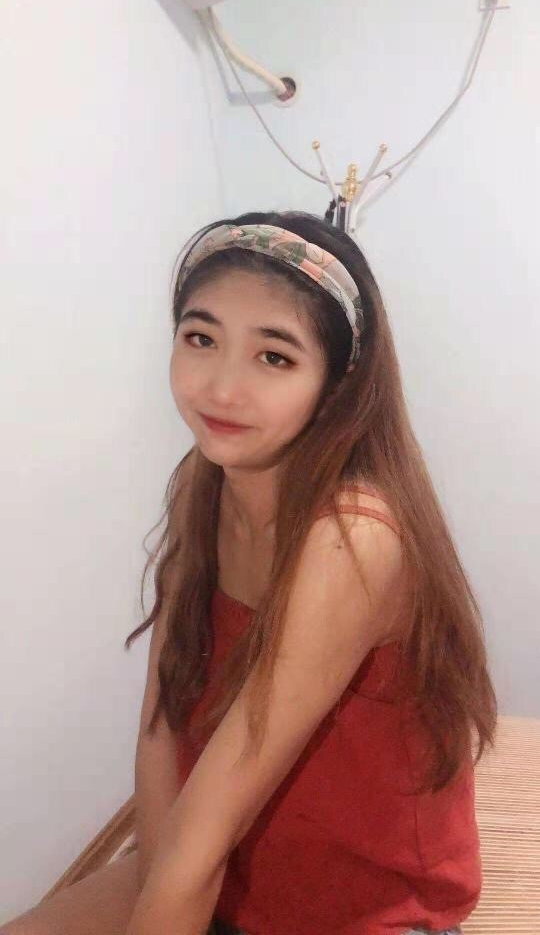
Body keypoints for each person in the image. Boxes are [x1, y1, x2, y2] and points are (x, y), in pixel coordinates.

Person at [3, 212, 497, 935]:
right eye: (201, 339)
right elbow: (165, 716)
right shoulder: (201, 485)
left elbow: (208, 834)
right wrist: (157, 875)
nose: (222, 389)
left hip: (363, 912)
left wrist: (177, 881)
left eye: (274, 357)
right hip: (231, 871)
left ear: (337, 385)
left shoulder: (352, 541)